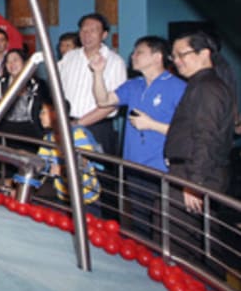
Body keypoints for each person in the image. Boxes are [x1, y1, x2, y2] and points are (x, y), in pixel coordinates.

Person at [90, 35, 186, 236]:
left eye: (139, 52)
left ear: (157, 57)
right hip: (133, 165)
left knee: (161, 224)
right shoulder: (133, 85)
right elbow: (103, 101)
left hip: (161, 168)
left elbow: (187, 131)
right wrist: (98, 73)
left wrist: (151, 125)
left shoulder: (178, 87)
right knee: (139, 221)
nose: (133, 56)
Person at [161, 31, 235, 265]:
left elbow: (207, 136)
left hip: (193, 174)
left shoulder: (207, 87)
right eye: (173, 56)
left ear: (204, 54)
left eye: (182, 54)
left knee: (182, 242)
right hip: (191, 172)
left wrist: (194, 183)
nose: (177, 61)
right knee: (191, 240)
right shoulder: (202, 84)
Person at [58, 13, 127, 154]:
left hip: (97, 128)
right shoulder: (69, 57)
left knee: (96, 167)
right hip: (66, 123)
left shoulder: (115, 62)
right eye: (83, 30)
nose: (87, 34)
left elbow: (112, 104)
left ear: (104, 35)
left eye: (93, 30)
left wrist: (79, 123)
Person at [35, 100, 103, 216]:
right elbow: (41, 163)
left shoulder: (76, 134)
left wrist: (61, 169)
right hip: (63, 196)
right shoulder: (48, 138)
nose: (40, 116)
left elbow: (82, 162)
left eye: (43, 112)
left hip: (86, 198)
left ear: (56, 114)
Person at [0, 47, 44, 151]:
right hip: (6, 129)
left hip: (29, 129)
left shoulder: (37, 84)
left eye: (15, 60)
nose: (12, 64)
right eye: (8, 62)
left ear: (24, 62)